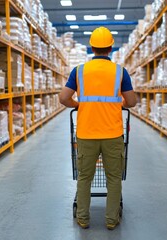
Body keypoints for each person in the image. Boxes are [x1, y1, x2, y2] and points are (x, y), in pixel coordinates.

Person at [59, 26, 137, 230]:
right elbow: (131, 101)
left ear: (91, 47)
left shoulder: (79, 71)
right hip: (113, 134)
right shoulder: (121, 72)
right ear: (111, 47)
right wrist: (116, 103)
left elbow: (63, 98)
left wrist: (79, 105)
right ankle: (111, 220)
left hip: (86, 133)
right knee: (113, 178)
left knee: (85, 177)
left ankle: (83, 218)